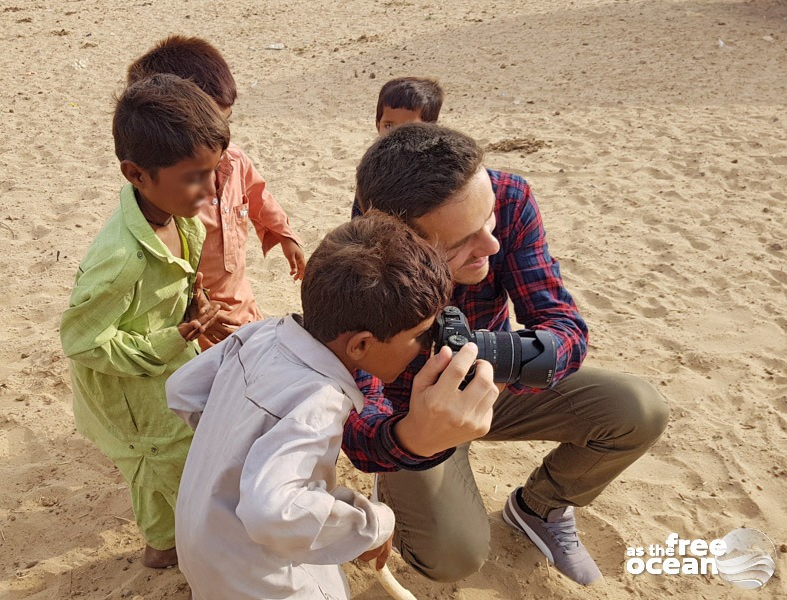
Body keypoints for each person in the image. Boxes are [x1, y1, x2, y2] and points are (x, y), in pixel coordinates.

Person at [343, 123, 670, 586]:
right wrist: (410, 437)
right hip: (416, 412)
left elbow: (565, 327)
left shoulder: (509, 198)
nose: (492, 246)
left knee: (637, 410)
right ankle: (404, 486)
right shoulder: (358, 265)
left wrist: (494, 360)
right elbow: (358, 424)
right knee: (452, 557)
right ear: (403, 245)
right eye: (462, 243)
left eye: (488, 219)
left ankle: (539, 508)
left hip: (500, 380)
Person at [165, 212, 496, 599]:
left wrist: (233, 451)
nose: (430, 348)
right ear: (360, 346)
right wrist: (372, 525)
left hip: (200, 538)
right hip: (256, 579)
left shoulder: (260, 334)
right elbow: (272, 512)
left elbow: (182, 390)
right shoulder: (318, 401)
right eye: (422, 337)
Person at [60, 74, 232, 569]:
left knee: (172, 462)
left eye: (214, 171)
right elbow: (82, 341)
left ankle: (168, 540)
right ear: (137, 174)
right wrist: (170, 338)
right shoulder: (120, 260)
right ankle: (165, 548)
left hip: (165, 370)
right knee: (164, 463)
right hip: (130, 393)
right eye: (195, 176)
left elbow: (179, 288)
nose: (211, 187)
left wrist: (194, 313)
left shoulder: (181, 219)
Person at [127, 36, 305, 349]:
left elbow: (259, 195)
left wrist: (285, 235)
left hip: (240, 300)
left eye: (225, 122)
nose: (222, 139)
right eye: (207, 128)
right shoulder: (167, 196)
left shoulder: (235, 159)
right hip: (198, 319)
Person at [351, 76, 444, 218]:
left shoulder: (442, 172)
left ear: (430, 129)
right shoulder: (371, 172)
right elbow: (359, 221)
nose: (397, 134)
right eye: (389, 125)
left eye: (409, 126)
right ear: (378, 125)